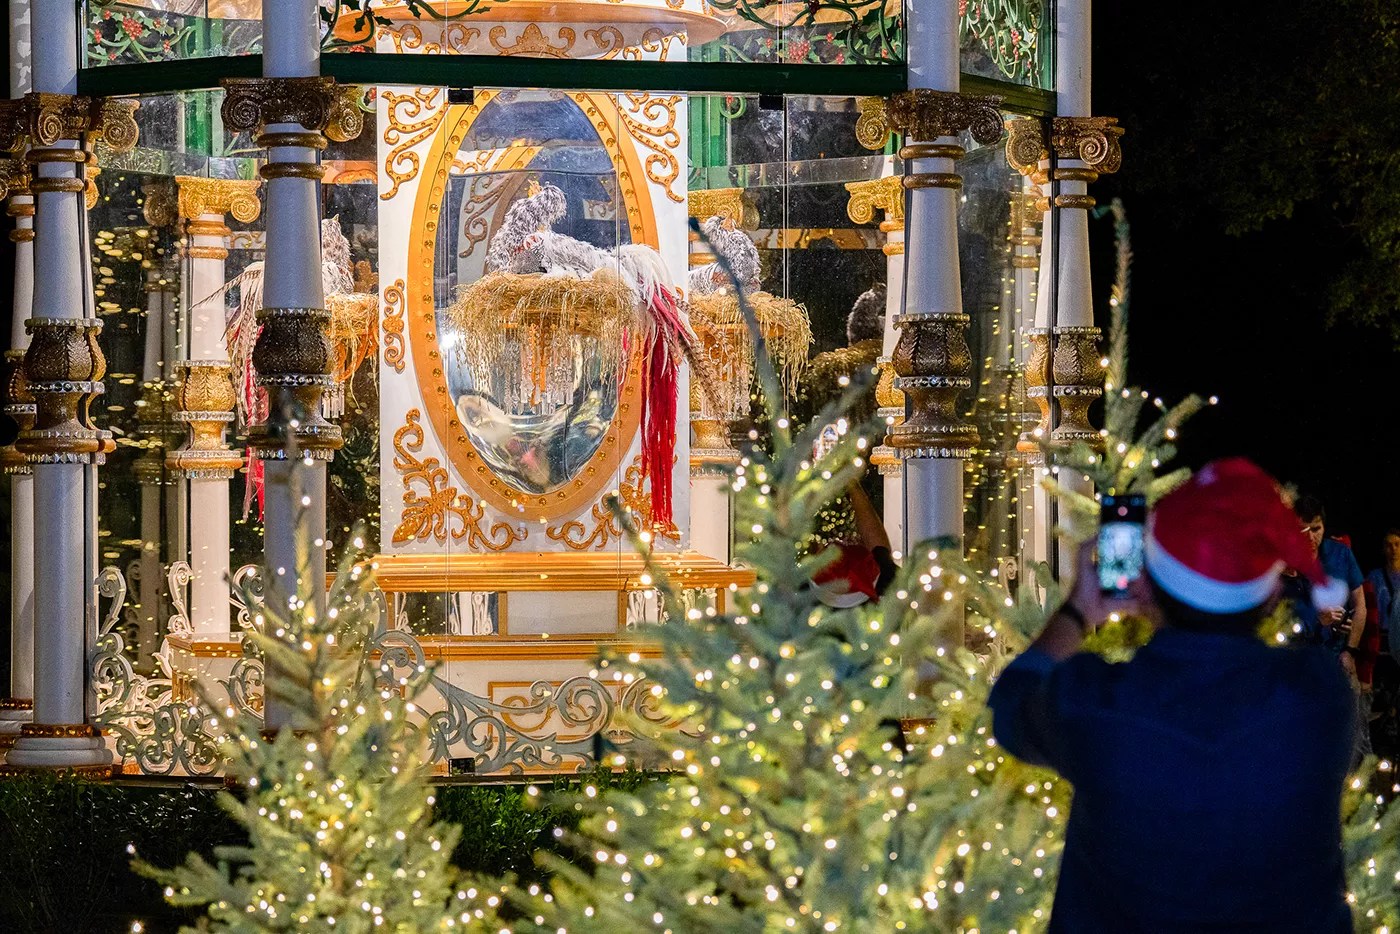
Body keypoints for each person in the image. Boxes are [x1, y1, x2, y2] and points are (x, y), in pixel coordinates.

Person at [988, 458, 1354, 933]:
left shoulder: (1095, 704)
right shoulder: (1321, 695)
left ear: (1146, 582)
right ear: (1269, 597)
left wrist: (1077, 611)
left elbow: (1010, 703)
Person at [1286, 495, 1367, 676]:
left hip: (1336, 658)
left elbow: (1360, 604)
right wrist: (1317, 620)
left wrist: (1350, 651)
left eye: (1316, 529)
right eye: (1303, 530)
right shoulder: (1284, 562)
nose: (1310, 537)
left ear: (1324, 526)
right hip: (1296, 661)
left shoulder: (1340, 554)